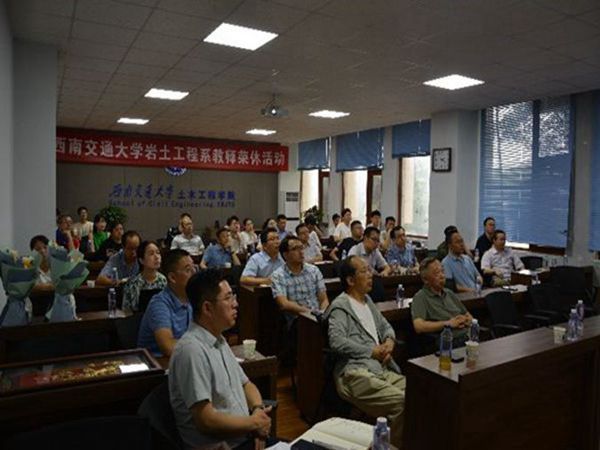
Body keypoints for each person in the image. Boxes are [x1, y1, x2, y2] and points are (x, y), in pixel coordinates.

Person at [169, 269, 274, 450]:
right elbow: (206, 420)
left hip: (245, 437)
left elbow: (246, 385)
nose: (235, 304)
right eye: (228, 298)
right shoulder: (191, 350)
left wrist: (257, 411)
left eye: (233, 296)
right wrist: (254, 424)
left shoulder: (218, 339)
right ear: (207, 308)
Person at [327, 256, 405, 448]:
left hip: (381, 368)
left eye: (370, 270)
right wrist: (371, 351)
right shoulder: (341, 307)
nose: (370, 275)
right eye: (364, 271)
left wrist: (389, 341)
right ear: (350, 280)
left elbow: (385, 326)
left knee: (421, 393)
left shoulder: (367, 301)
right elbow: (336, 341)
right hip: (355, 372)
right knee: (402, 402)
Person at [138, 249, 195, 357]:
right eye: (188, 270)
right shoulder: (159, 304)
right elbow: (168, 347)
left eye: (194, 267)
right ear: (172, 277)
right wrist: (201, 347)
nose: (194, 273)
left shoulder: (194, 298)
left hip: (185, 358)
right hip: (158, 363)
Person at [411, 257, 473, 345]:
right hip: (450, 341)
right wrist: (448, 323)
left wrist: (465, 320)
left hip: (469, 334)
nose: (442, 276)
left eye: (442, 271)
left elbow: (468, 316)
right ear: (425, 279)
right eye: (437, 273)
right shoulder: (421, 297)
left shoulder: (449, 293)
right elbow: (419, 326)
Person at [272, 236, 329, 325]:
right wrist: (310, 314)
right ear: (285, 255)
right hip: (297, 321)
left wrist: (323, 314)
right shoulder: (278, 275)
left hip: (319, 318)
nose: (301, 252)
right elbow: (284, 304)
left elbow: (324, 299)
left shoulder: (313, 270)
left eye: (301, 248)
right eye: (295, 249)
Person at [122, 240, 167, 312]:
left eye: (158, 253)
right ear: (141, 260)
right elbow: (126, 311)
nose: (157, 257)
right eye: (151, 254)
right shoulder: (133, 284)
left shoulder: (164, 281)